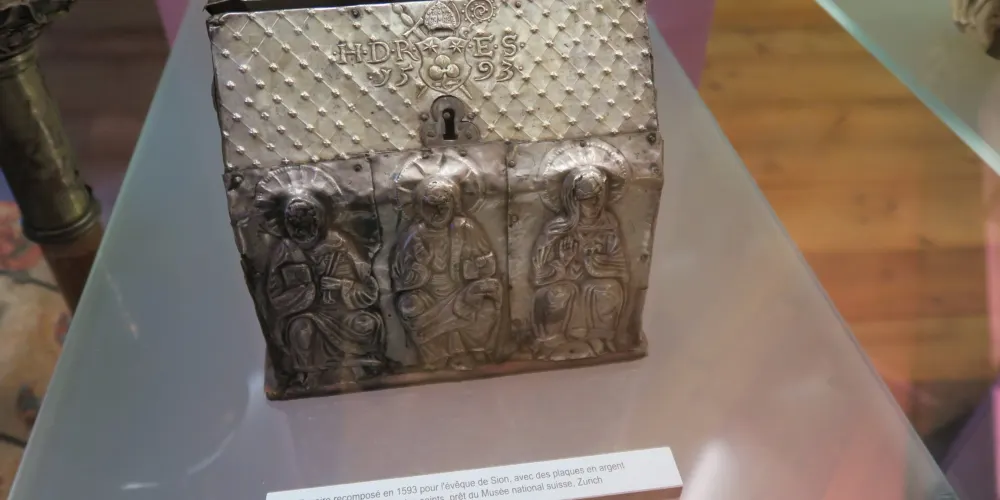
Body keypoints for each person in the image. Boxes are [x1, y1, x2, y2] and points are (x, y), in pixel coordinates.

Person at [264, 193, 384, 388]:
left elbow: (368, 289)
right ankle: (309, 376)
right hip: (308, 314)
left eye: (306, 223)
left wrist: (342, 285)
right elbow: (275, 296)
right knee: (301, 330)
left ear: (318, 219)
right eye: (295, 224)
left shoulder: (339, 244)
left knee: (366, 324)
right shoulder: (286, 250)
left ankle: (359, 367)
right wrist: (306, 291)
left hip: (342, 313)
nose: (302, 231)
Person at [392, 176, 502, 370]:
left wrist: (473, 268)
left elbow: (488, 264)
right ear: (420, 207)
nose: (438, 212)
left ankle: (472, 352)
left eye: (444, 205)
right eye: (431, 206)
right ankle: (437, 358)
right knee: (410, 306)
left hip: (463, 290)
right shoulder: (414, 236)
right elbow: (401, 278)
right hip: (426, 295)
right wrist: (421, 266)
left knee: (487, 305)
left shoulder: (466, 228)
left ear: (454, 204)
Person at [531, 166, 628, 349]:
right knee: (559, 294)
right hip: (562, 282)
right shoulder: (556, 228)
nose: (595, 204)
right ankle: (553, 343)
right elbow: (538, 273)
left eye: (598, 197)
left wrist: (593, 261)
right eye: (588, 199)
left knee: (608, 290)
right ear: (573, 199)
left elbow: (620, 266)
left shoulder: (608, 224)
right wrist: (563, 261)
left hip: (596, 282)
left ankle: (601, 340)